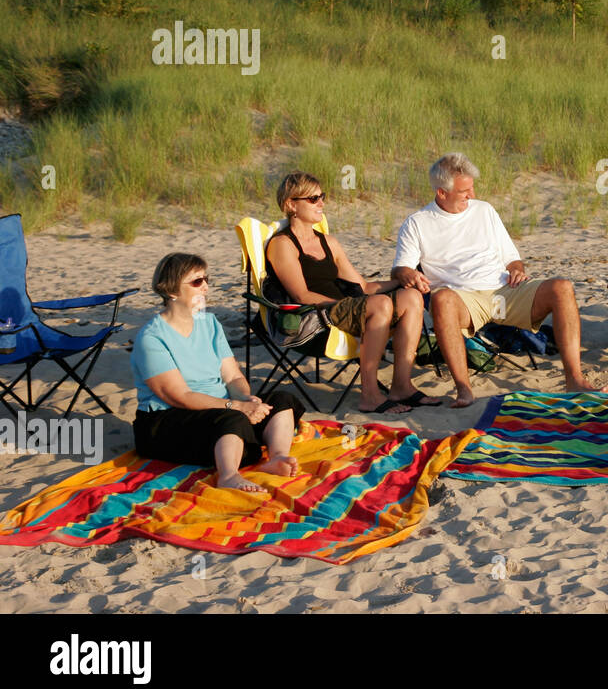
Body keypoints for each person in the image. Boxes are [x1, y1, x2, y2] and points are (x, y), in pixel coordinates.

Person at [391, 153, 600, 408]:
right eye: (464, 191)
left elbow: (512, 259)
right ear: (441, 193)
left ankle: (574, 380)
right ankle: (464, 390)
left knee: (562, 287)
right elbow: (399, 269)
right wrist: (409, 274)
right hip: (463, 301)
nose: (472, 194)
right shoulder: (417, 223)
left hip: (504, 290)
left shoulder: (484, 210)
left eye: (472, 187)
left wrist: (516, 270)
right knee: (442, 298)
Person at [132, 252, 304, 494]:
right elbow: (179, 396)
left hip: (220, 409)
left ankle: (276, 457)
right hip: (167, 420)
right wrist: (235, 407)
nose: (205, 287)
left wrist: (246, 399)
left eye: (206, 280)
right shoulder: (152, 337)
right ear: (170, 290)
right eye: (196, 282)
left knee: (281, 400)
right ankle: (229, 475)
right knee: (231, 419)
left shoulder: (209, 323)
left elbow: (232, 377)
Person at [265, 172, 435, 414]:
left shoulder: (328, 242)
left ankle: (401, 386)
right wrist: (350, 305)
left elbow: (363, 287)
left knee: (411, 297)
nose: (321, 203)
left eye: (321, 196)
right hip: (313, 317)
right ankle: (370, 395)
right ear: (291, 204)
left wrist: (402, 279)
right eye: (313, 199)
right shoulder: (282, 244)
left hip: (346, 308)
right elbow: (301, 295)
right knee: (380, 305)